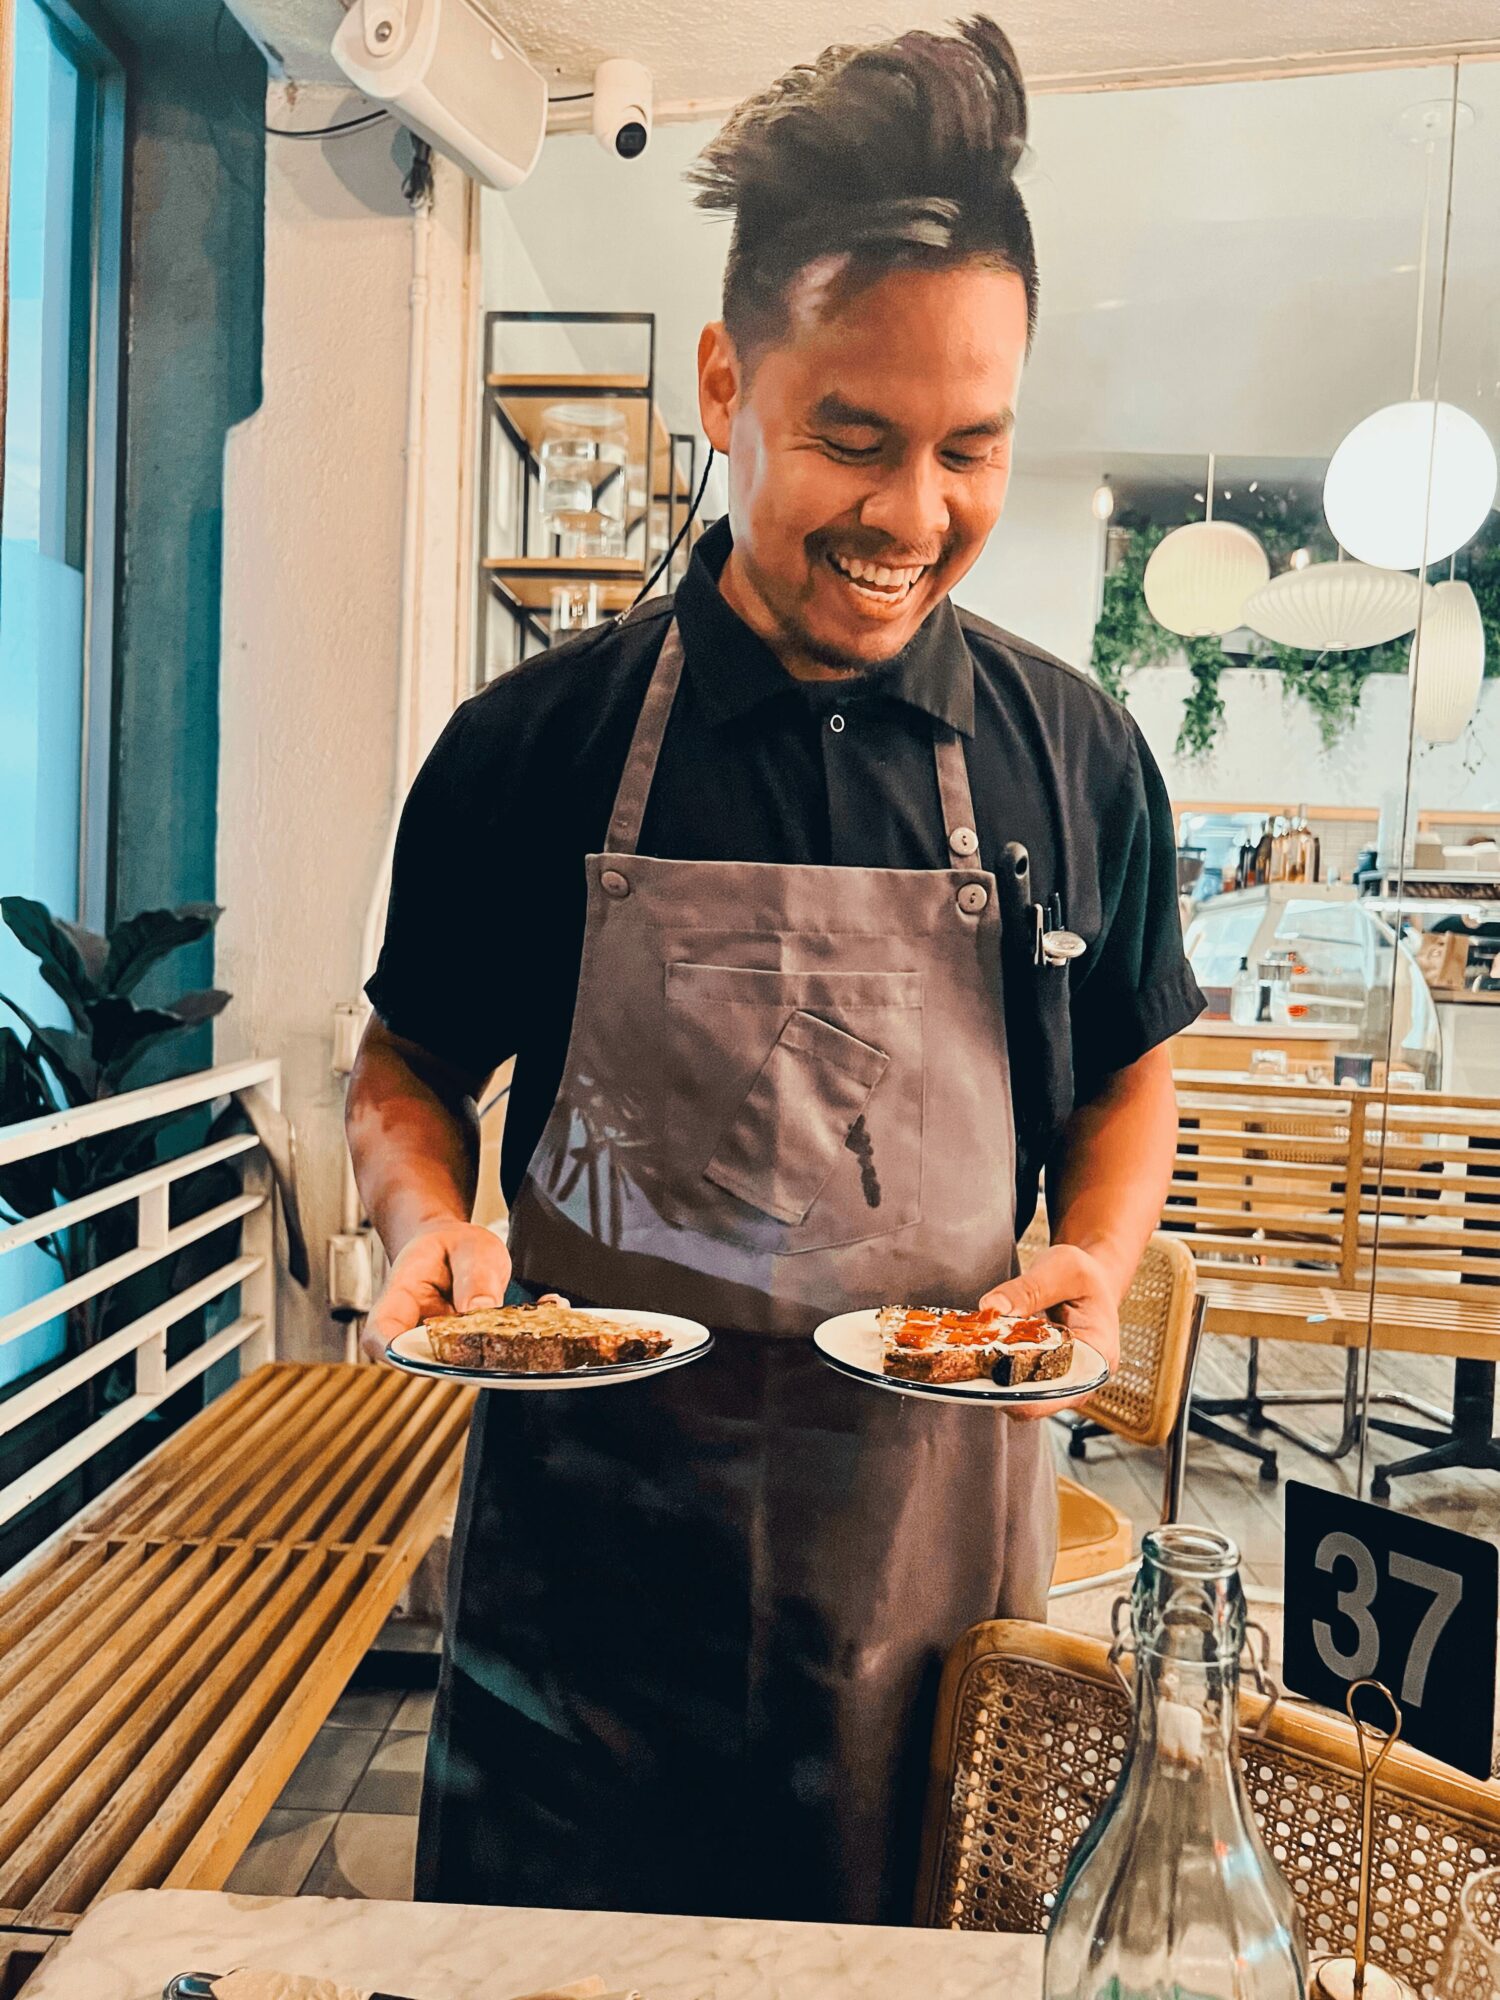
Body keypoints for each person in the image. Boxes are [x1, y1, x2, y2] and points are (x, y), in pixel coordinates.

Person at [348, 16, 1203, 1925]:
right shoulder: (533, 749)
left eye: (971, 449)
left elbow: (1129, 1068)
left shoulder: (1075, 756)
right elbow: (406, 1067)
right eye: (853, 441)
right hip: (580, 1601)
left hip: (926, 1588)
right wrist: (424, 1221)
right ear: (729, 382)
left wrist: (1096, 1252)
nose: (912, 517)